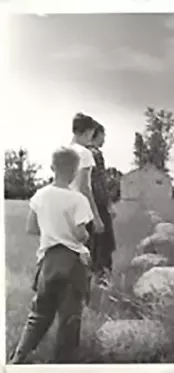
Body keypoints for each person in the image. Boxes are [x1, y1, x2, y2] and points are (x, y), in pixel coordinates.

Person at [9, 147, 94, 364]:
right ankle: (63, 364)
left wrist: (51, 229)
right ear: (75, 171)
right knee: (69, 319)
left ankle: (18, 357)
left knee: (38, 315)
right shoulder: (78, 200)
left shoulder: (40, 195)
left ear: (52, 167)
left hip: (47, 261)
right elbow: (79, 234)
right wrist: (82, 235)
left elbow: (31, 227)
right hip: (71, 262)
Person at [68, 113, 104, 279]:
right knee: (84, 255)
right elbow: (84, 187)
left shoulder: (62, 150)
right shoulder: (85, 154)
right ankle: (82, 297)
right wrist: (96, 217)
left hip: (61, 208)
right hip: (80, 211)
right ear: (89, 132)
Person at [86, 121, 117, 287]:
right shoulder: (95, 154)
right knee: (105, 242)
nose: (105, 139)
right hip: (98, 204)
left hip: (84, 205)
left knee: (90, 243)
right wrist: (108, 205)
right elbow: (99, 183)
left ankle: (89, 278)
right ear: (96, 134)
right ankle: (102, 280)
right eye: (103, 135)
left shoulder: (80, 153)